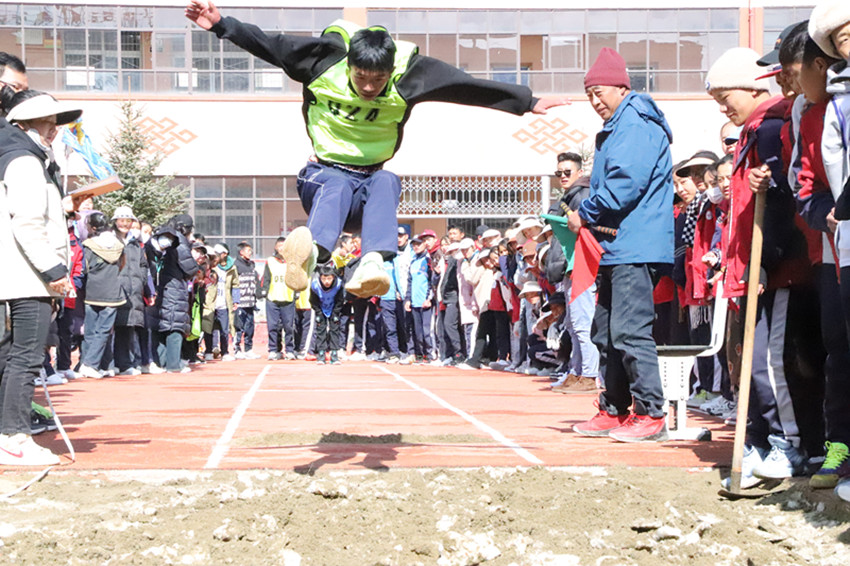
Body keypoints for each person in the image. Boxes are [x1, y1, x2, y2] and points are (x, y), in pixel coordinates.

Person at [185, 1, 568, 300]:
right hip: (322, 178)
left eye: (378, 80)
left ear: (390, 72)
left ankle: (372, 262)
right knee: (337, 184)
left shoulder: (410, 74)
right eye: (361, 78)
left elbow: (464, 86)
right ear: (349, 65)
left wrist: (527, 101)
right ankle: (312, 253)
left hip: (369, 186)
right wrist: (221, 24)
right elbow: (269, 44)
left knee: (388, 179)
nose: (369, 87)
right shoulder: (322, 60)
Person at [568, 48, 674, 443]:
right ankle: (614, 407)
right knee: (605, 332)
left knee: (629, 331)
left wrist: (585, 212)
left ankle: (651, 412)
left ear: (622, 88)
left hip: (636, 244)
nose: (595, 101)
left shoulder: (635, 124)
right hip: (618, 245)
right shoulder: (620, 124)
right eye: (589, 94)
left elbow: (624, 185)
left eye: (600, 92)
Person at [0, 90, 81, 465]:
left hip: (20, 276)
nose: (53, 130)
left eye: (54, 123)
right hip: (28, 277)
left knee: (13, 357)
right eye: (45, 123)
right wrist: (55, 272)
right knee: (26, 358)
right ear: (22, 125)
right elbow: (28, 224)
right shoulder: (25, 161)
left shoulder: (22, 158)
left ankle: (10, 435)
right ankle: (14, 437)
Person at [147, 214, 198, 374]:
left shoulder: (162, 236)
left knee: (163, 325)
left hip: (160, 286)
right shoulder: (179, 241)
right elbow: (190, 268)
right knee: (174, 326)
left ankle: (163, 362)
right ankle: (174, 364)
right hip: (174, 287)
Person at [112, 206, 151, 376]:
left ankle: (124, 364)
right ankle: (110, 363)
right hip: (114, 289)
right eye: (121, 220)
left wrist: (141, 281)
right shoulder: (110, 240)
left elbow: (143, 265)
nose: (125, 224)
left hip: (133, 291)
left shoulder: (135, 244)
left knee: (127, 327)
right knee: (110, 327)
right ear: (115, 222)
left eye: (128, 221)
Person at [261, 236, 297, 361]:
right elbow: (265, 278)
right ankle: (273, 349)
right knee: (273, 326)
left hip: (288, 298)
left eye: (284, 246)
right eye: (279, 246)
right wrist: (263, 291)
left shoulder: (292, 262)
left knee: (289, 327)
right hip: (273, 299)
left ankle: (290, 350)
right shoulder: (270, 261)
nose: (282, 248)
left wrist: (296, 292)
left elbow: (296, 278)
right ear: (275, 247)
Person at [405, 233, 435, 363]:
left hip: (425, 302)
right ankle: (420, 355)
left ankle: (430, 354)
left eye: (419, 244)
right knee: (417, 331)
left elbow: (431, 281)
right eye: (414, 245)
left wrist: (429, 298)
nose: (416, 247)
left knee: (427, 331)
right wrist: (408, 299)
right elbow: (410, 282)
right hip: (415, 302)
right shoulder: (413, 262)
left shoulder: (428, 260)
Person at [311, 263, 344, 365]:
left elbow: (340, 300)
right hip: (320, 308)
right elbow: (313, 301)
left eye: (329, 279)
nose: (326, 282)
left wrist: (335, 313)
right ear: (320, 278)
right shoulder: (315, 285)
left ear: (333, 277)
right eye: (324, 279)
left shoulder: (338, 285)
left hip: (334, 308)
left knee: (335, 330)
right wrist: (318, 312)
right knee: (321, 330)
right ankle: (321, 354)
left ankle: (334, 354)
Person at [233, 241, 260, 359]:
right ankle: (237, 349)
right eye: (248, 250)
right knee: (239, 326)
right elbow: (234, 284)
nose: (250, 252)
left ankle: (248, 349)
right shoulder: (236, 265)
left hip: (250, 302)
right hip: (240, 302)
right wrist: (235, 301)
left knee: (250, 327)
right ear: (241, 252)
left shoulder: (252, 265)